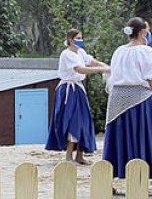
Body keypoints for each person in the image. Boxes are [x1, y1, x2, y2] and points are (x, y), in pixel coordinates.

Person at [102, 17, 152, 179]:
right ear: (142, 32)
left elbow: (113, 76)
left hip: (118, 100)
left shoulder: (118, 51)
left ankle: (121, 170)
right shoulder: (146, 51)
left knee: (122, 135)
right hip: (141, 99)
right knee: (147, 133)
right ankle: (145, 171)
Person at [46, 28, 111, 164]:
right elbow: (79, 69)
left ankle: (80, 155)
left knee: (84, 121)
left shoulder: (80, 52)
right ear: (70, 40)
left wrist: (107, 66)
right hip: (68, 90)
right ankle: (69, 156)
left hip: (79, 89)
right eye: (78, 38)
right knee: (72, 120)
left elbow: (92, 61)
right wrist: (101, 69)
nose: (81, 41)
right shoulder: (66, 54)